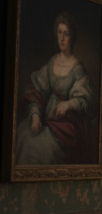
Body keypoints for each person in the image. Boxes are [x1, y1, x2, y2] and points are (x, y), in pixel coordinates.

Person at [15, 12, 95, 165]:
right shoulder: (52, 62)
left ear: (72, 37)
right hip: (45, 116)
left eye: (66, 34)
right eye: (59, 32)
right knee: (23, 133)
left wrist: (68, 104)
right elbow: (38, 90)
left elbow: (85, 99)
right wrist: (36, 114)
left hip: (65, 123)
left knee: (41, 146)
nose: (62, 38)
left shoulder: (78, 68)